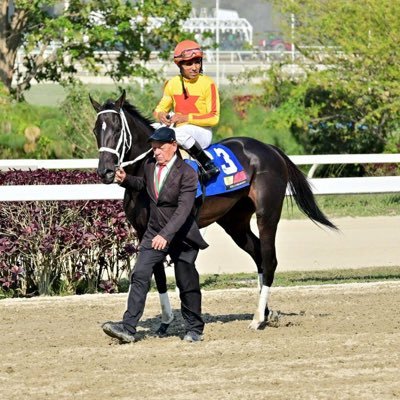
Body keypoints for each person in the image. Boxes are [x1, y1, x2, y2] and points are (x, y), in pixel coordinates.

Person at [102, 126, 208, 343]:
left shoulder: (188, 173)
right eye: (153, 148)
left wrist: (166, 235)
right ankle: (128, 328)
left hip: (182, 235)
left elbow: (183, 209)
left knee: (185, 281)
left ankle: (194, 328)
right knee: (139, 274)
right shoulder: (151, 166)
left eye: (160, 148)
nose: (156, 152)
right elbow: (144, 185)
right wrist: (126, 179)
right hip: (154, 231)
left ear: (173, 146)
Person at [153, 39, 220, 181]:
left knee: (179, 132)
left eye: (197, 62)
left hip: (202, 132)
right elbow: (159, 110)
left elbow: (214, 118)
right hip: (178, 131)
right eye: (189, 64)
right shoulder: (172, 84)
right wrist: (161, 115)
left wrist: (186, 118)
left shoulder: (208, 84)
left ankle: (207, 164)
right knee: (151, 129)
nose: (195, 67)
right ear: (180, 65)